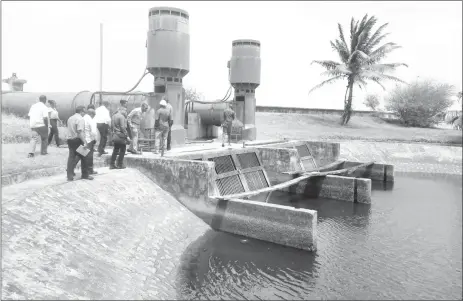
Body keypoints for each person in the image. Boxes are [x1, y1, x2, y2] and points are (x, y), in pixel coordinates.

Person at [66, 106, 93, 181]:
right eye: (84, 112)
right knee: (85, 157)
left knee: (71, 157)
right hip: (77, 140)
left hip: (70, 140)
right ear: (81, 111)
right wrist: (84, 141)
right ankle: (85, 175)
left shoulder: (70, 118)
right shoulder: (80, 119)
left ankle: (69, 175)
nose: (84, 114)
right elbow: (80, 131)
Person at [71, 106, 98, 176]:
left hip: (82, 139)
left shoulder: (82, 118)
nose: (94, 117)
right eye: (94, 115)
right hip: (89, 140)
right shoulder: (90, 119)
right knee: (88, 156)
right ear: (92, 114)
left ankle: (70, 168)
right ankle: (89, 170)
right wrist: (95, 139)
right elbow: (94, 131)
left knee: (80, 154)